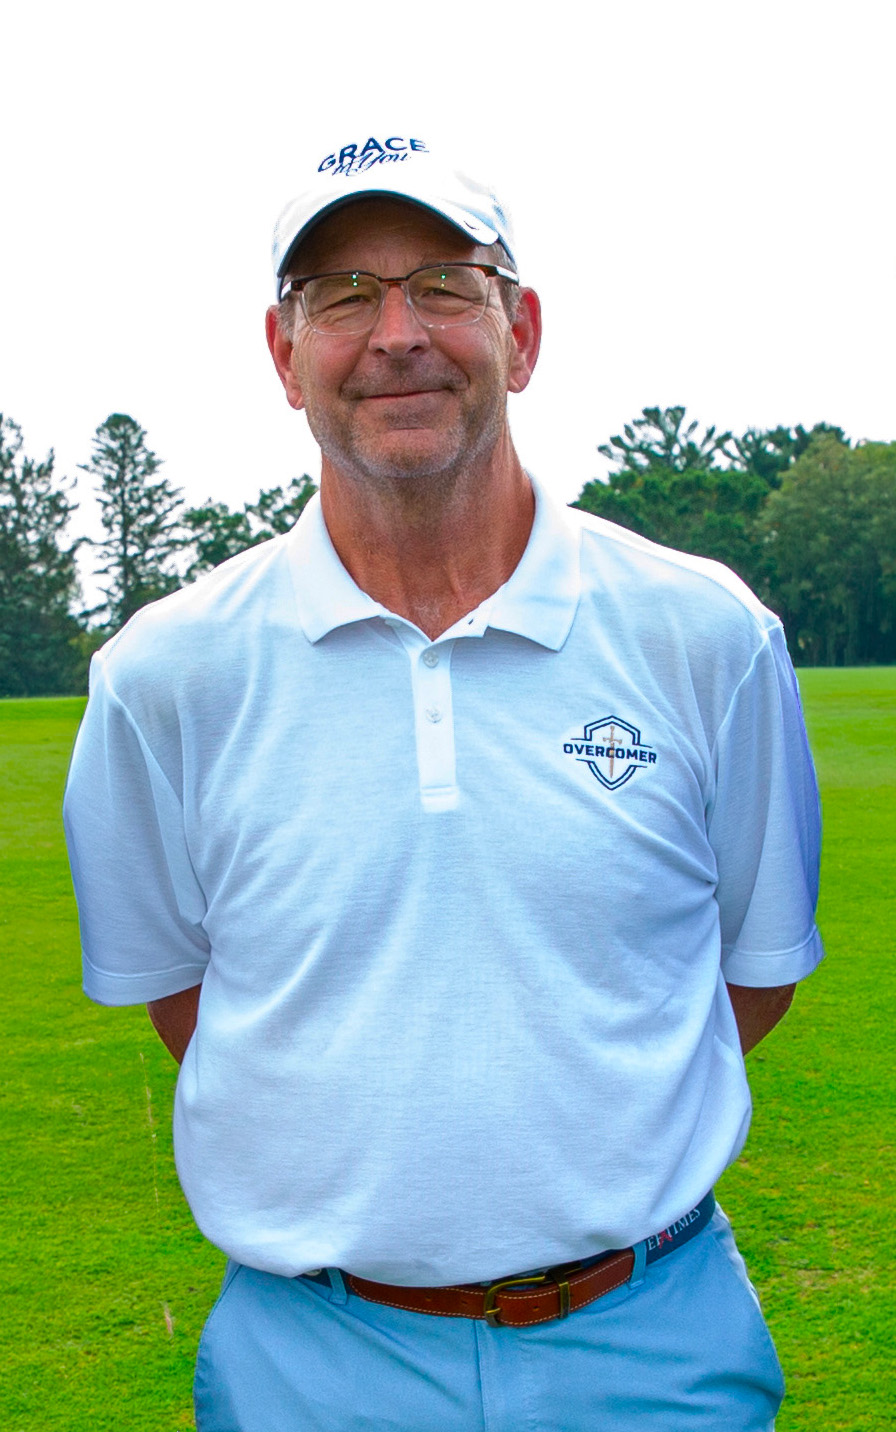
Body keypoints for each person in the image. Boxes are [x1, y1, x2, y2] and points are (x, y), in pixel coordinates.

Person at [64, 132, 824, 1432]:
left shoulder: (708, 635)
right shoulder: (163, 676)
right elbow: (193, 1002)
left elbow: (751, 978)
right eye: (342, 296)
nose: (397, 334)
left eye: (445, 287)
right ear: (283, 354)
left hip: (652, 1344)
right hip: (311, 1361)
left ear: (522, 334)